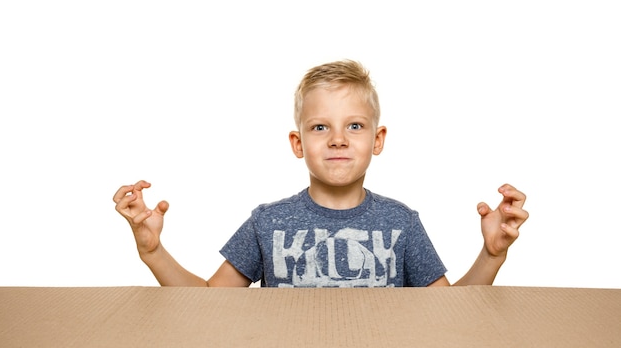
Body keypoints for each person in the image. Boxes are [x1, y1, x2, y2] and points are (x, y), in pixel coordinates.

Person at [113, 59, 528, 288]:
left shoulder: (401, 223)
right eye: (320, 127)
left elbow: (450, 316)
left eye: (354, 125)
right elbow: (207, 304)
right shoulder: (268, 222)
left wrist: (492, 255)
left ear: (377, 139)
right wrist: (152, 251)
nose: (338, 140)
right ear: (298, 143)